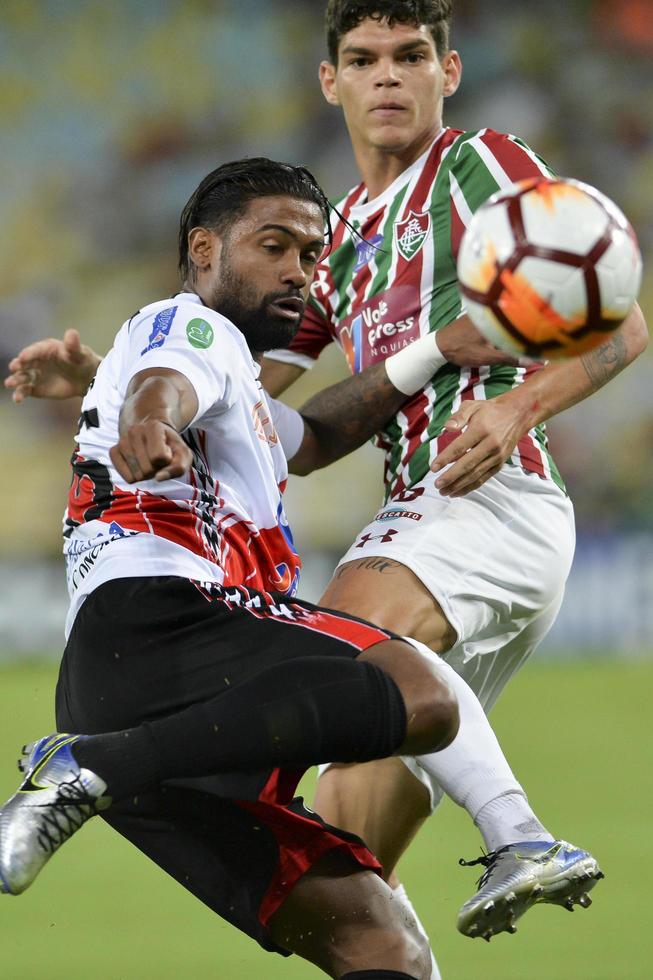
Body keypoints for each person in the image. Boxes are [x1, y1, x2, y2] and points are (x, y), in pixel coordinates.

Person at [5, 0, 648, 961]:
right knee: (358, 882)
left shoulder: (480, 168)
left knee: (355, 648)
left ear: (450, 71)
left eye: (409, 55)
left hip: (481, 495)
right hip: (424, 522)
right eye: (362, 57)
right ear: (329, 81)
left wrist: (517, 407)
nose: (387, 75)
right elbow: (261, 427)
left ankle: (517, 836)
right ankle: (473, 878)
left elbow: (623, 323)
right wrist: (110, 379)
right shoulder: (331, 242)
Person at [0, 156, 471, 980]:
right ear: (206, 249)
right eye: (274, 246)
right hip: (165, 621)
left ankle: (95, 767)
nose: (298, 272)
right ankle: (90, 767)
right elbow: (163, 384)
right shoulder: (195, 328)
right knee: (421, 694)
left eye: (311, 254)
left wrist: (433, 349)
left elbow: (314, 436)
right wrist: (147, 420)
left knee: (380, 943)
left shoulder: (236, 378)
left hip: (129, 694)